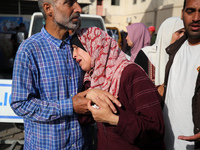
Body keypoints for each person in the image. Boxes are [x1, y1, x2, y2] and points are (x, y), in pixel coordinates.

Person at [10, 0, 120, 149]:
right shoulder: (29, 50)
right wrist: (70, 106)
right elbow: (20, 104)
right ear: (48, 9)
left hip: (83, 144)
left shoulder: (82, 46)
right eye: (69, 3)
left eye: (77, 2)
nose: (79, 9)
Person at [72, 27, 165, 150]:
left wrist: (114, 119)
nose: (74, 55)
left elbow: (155, 129)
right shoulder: (94, 79)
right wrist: (88, 95)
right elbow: (85, 119)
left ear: (93, 45)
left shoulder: (131, 74)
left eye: (76, 48)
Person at [162, 0, 200, 149]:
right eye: (190, 11)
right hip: (167, 142)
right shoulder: (175, 49)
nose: (196, 18)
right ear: (182, 14)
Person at [141, 17, 185, 95]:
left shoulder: (185, 58)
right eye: (180, 32)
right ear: (167, 33)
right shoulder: (145, 55)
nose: (183, 36)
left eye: (185, 33)